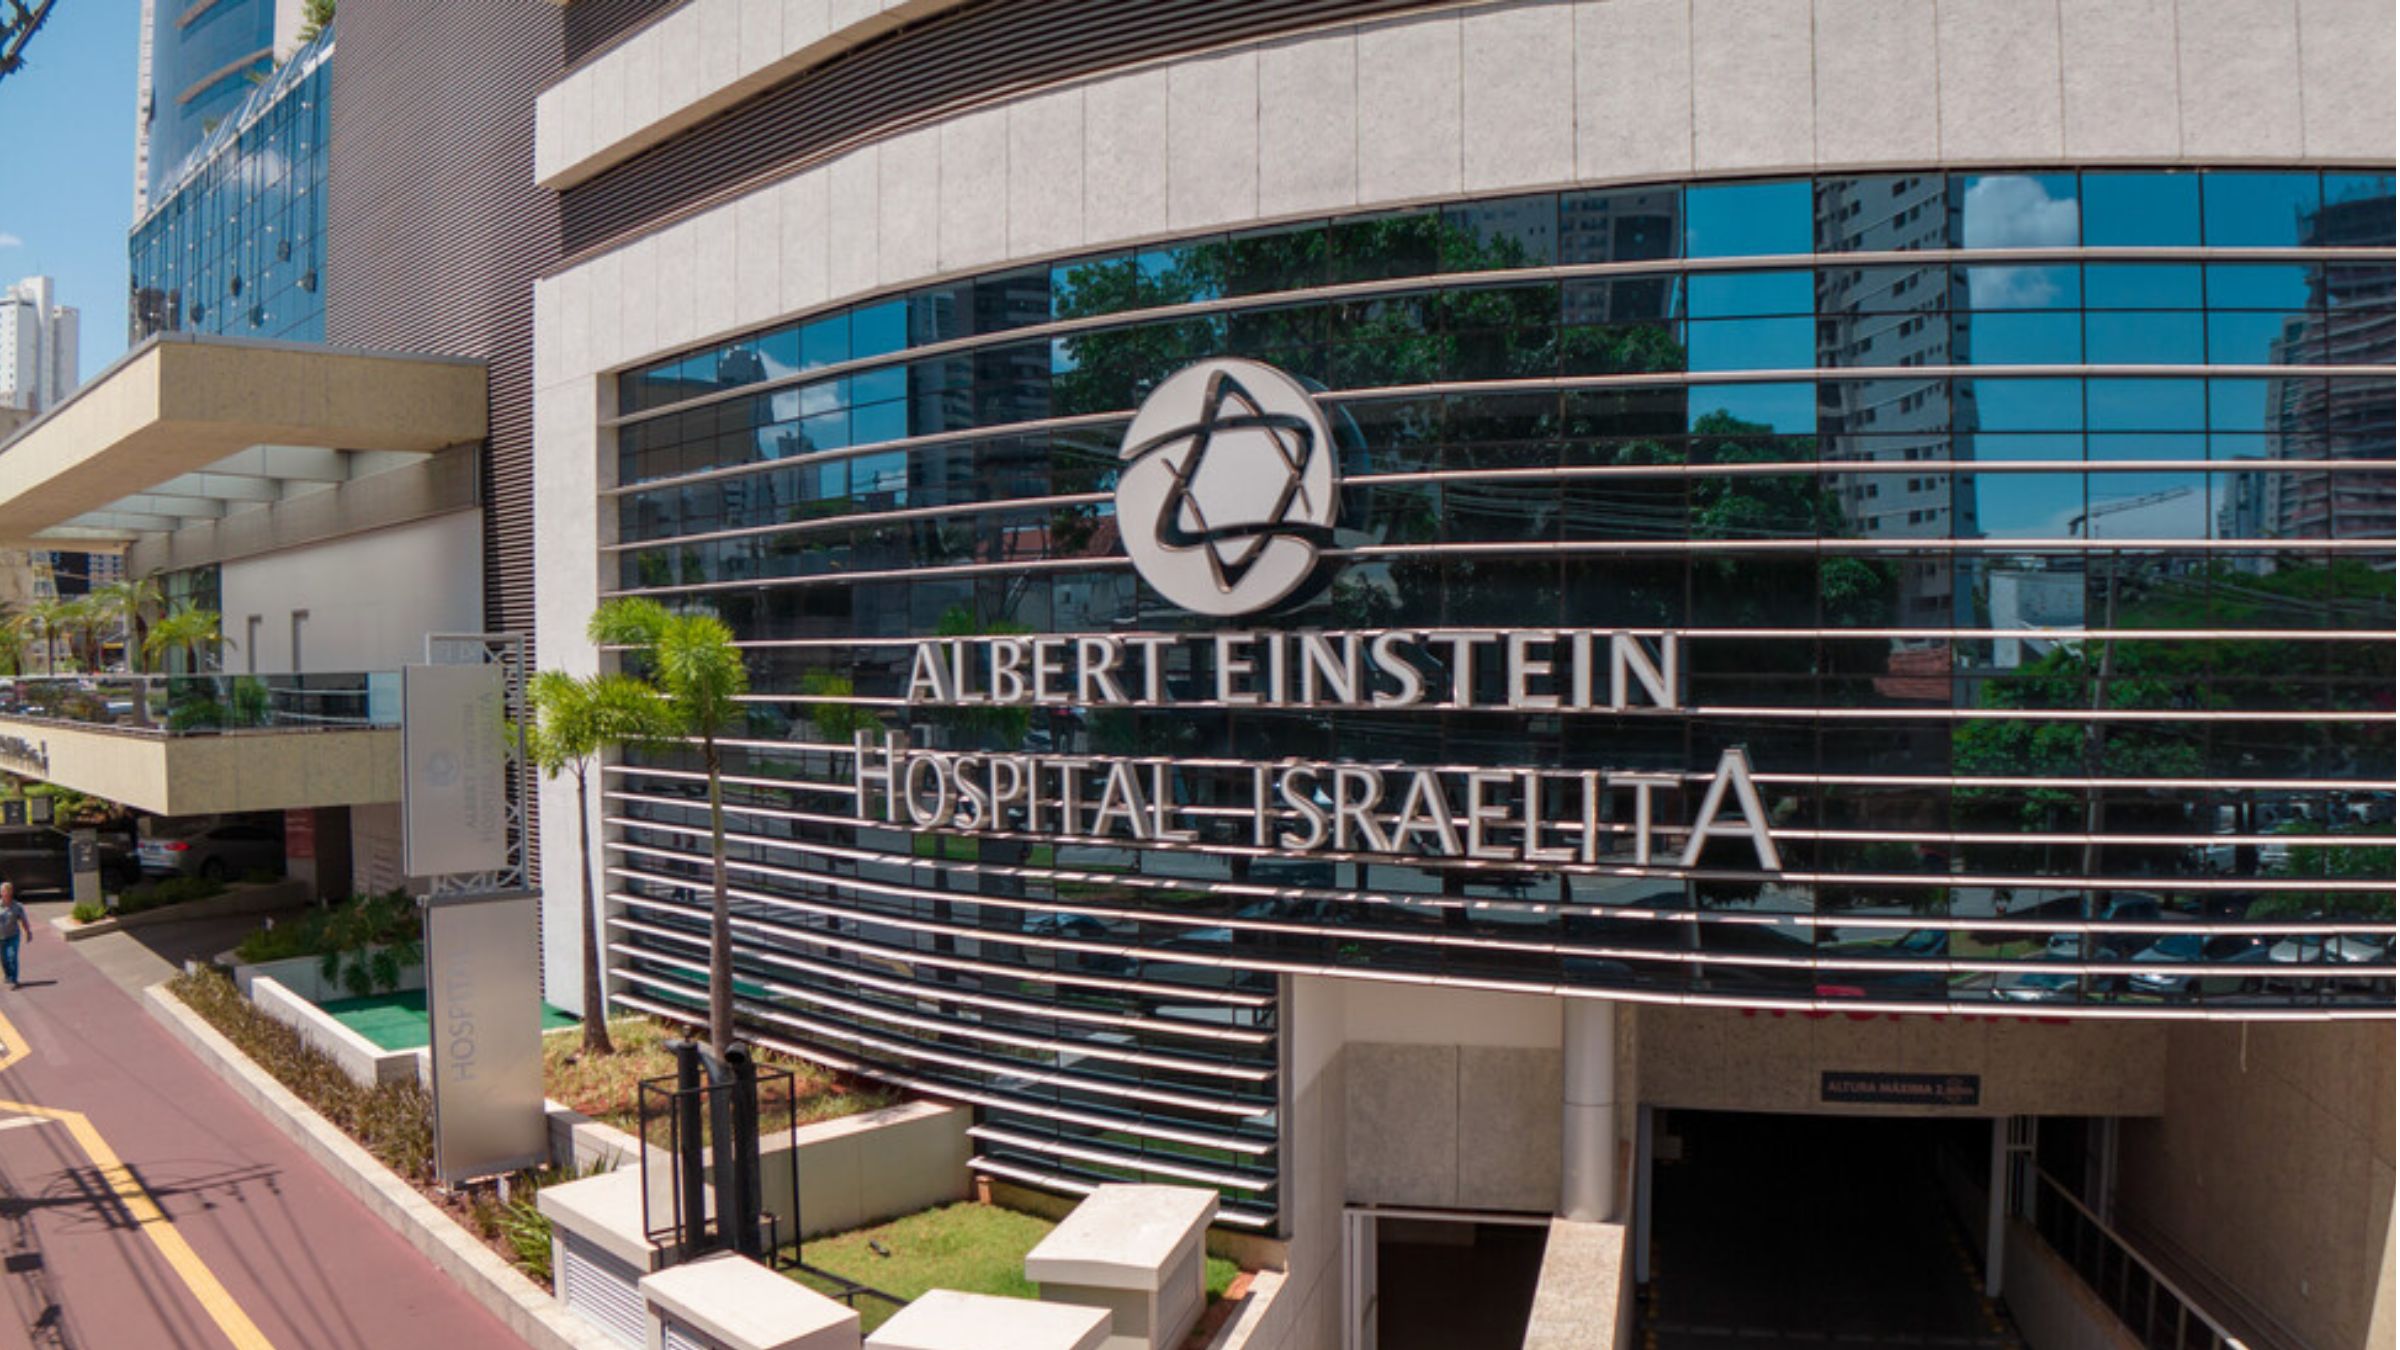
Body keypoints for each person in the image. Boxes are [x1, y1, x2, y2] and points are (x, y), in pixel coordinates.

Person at [0, 881, 29, 990]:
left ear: (11, 892)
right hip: (1, 938)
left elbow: (23, 920)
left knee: (12, 957)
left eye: (8, 891)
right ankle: (8, 976)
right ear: (1, 893)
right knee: (4, 959)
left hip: (13, 936)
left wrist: (28, 932)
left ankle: (14, 980)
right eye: (4, 891)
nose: (6, 893)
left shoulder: (17, 906)